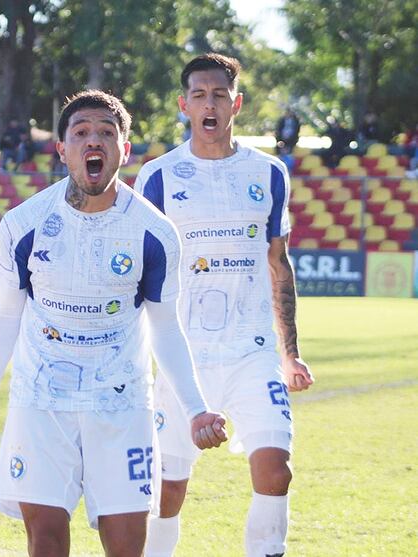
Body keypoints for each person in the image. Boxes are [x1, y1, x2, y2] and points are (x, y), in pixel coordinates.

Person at [0, 90, 227, 557]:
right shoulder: (24, 224)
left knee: (125, 547)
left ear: (124, 146)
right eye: (80, 133)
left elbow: (165, 327)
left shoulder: (155, 232)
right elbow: (5, 316)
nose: (92, 141)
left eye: (106, 132)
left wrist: (197, 407)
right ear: (62, 150)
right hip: (41, 401)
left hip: (121, 405)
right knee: (47, 542)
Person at [134, 53, 314, 557]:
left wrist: (289, 352)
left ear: (236, 103)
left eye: (219, 95)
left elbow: (279, 265)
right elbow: (139, 276)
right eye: (199, 95)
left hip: (251, 352)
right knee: (169, 490)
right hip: (181, 358)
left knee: (277, 471)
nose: (209, 104)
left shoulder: (270, 172)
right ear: (183, 105)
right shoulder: (158, 177)